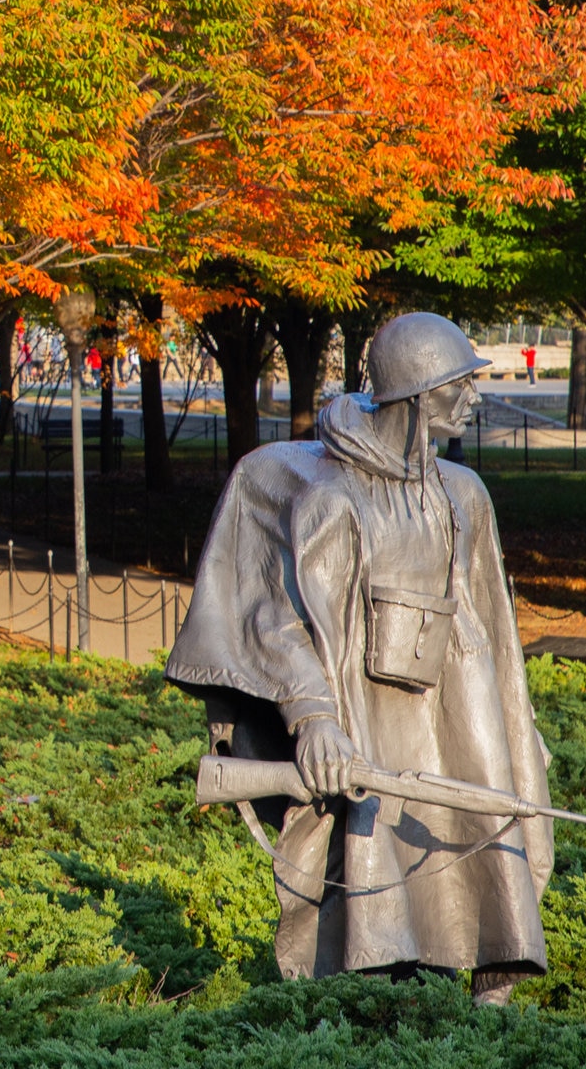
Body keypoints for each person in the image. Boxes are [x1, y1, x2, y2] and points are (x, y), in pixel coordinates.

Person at [164, 312, 552, 1006]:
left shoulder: (464, 494)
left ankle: (467, 986)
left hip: (452, 719)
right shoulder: (315, 489)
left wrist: (515, 728)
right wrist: (311, 715)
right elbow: (273, 617)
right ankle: (365, 999)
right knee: (370, 878)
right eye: (459, 384)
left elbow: (489, 627)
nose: (474, 399)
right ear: (418, 394)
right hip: (356, 717)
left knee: (467, 859)